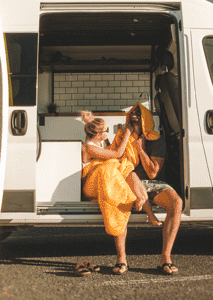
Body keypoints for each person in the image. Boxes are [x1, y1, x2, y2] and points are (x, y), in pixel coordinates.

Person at [78, 111, 156, 274]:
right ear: (98, 134)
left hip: (105, 181)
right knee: (111, 166)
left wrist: (123, 135)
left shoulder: (100, 142)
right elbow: (116, 153)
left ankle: (140, 199)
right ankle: (132, 196)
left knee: (125, 168)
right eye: (106, 130)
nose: (108, 132)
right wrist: (126, 133)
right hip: (91, 186)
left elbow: (114, 149)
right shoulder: (89, 147)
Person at [121, 103, 183, 275]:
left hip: (154, 183)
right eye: (131, 118)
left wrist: (140, 149)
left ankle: (166, 258)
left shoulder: (157, 140)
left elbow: (153, 172)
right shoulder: (125, 137)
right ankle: (121, 260)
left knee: (177, 203)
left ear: (145, 121)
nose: (133, 121)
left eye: (137, 118)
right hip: (132, 182)